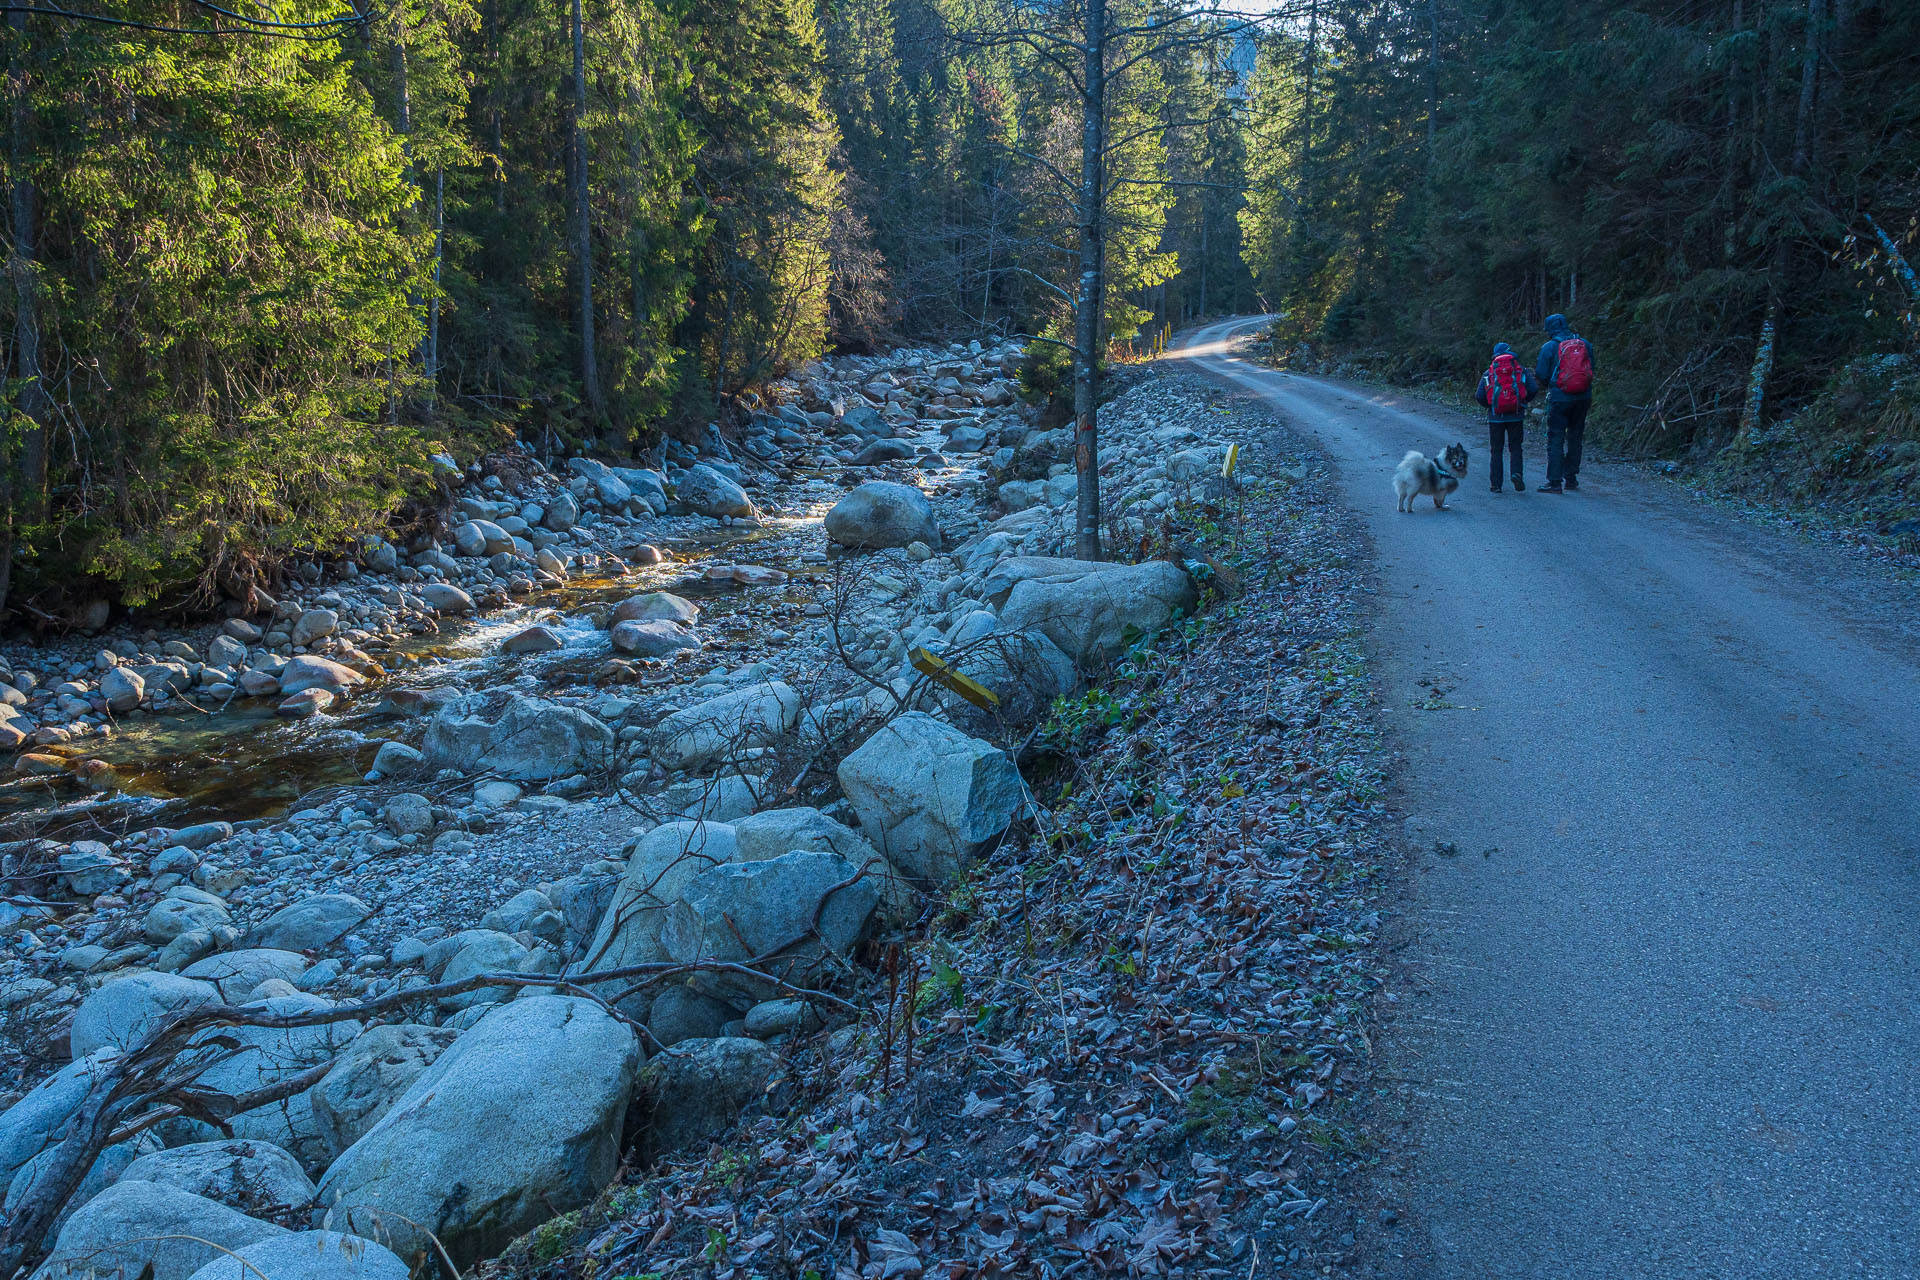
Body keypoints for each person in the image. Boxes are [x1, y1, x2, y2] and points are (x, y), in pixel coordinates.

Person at [1534, 313, 1596, 493]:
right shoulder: (1585, 344)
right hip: (1583, 397)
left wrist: (1553, 387)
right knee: (1575, 437)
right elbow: (1591, 370)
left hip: (1560, 399)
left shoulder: (1549, 347)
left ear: (1550, 329)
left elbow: (1541, 373)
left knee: (1556, 438)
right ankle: (1571, 478)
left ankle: (1554, 482)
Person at [1475, 342, 1536, 492]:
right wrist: (1522, 402)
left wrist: (1491, 406)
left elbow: (1479, 395)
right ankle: (1516, 473)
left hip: (1496, 417)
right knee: (1515, 447)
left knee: (1496, 450)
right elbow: (1533, 388)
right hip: (1516, 415)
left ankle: (1496, 484)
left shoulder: (1489, 372)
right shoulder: (1520, 370)